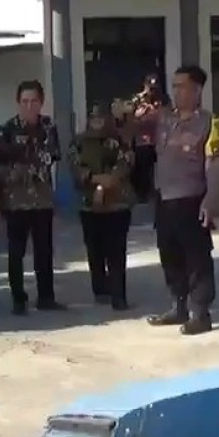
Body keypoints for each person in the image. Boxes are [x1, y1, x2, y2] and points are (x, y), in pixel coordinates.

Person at [148, 65, 219, 336]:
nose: (176, 91)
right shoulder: (164, 120)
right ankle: (177, 305)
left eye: (181, 86)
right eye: (174, 86)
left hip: (192, 200)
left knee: (197, 260)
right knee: (169, 255)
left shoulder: (209, 123)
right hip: (165, 200)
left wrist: (211, 202)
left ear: (197, 90)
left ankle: (200, 313)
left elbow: (214, 165)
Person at [0, 80, 64, 315]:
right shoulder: (7, 129)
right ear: (18, 103)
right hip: (15, 200)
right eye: (24, 101)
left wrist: (25, 163)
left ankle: (46, 296)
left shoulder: (48, 127)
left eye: (34, 101)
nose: (29, 106)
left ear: (41, 102)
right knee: (16, 251)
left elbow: (52, 155)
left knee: (44, 249)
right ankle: (18, 298)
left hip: (42, 199)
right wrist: (15, 173)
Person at [71, 104, 135, 310]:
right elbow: (75, 166)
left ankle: (119, 296)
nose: (98, 123)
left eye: (101, 119)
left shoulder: (118, 140)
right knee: (94, 250)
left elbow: (126, 162)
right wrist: (95, 180)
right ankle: (100, 289)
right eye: (93, 119)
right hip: (89, 205)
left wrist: (110, 180)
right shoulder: (79, 141)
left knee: (116, 251)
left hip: (117, 204)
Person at [128, 74, 169, 202]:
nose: (153, 91)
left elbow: (170, 115)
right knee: (143, 164)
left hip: (161, 139)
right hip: (143, 141)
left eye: (155, 87)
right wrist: (141, 112)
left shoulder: (164, 99)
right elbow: (130, 119)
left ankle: (164, 191)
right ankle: (144, 194)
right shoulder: (138, 99)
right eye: (150, 87)